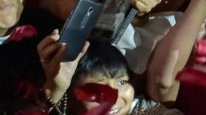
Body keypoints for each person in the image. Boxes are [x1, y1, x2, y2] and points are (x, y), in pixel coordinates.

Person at [36, 37, 179, 114]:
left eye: (121, 83)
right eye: (97, 89)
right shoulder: (57, 106)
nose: (114, 96)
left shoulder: (142, 110)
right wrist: (54, 89)